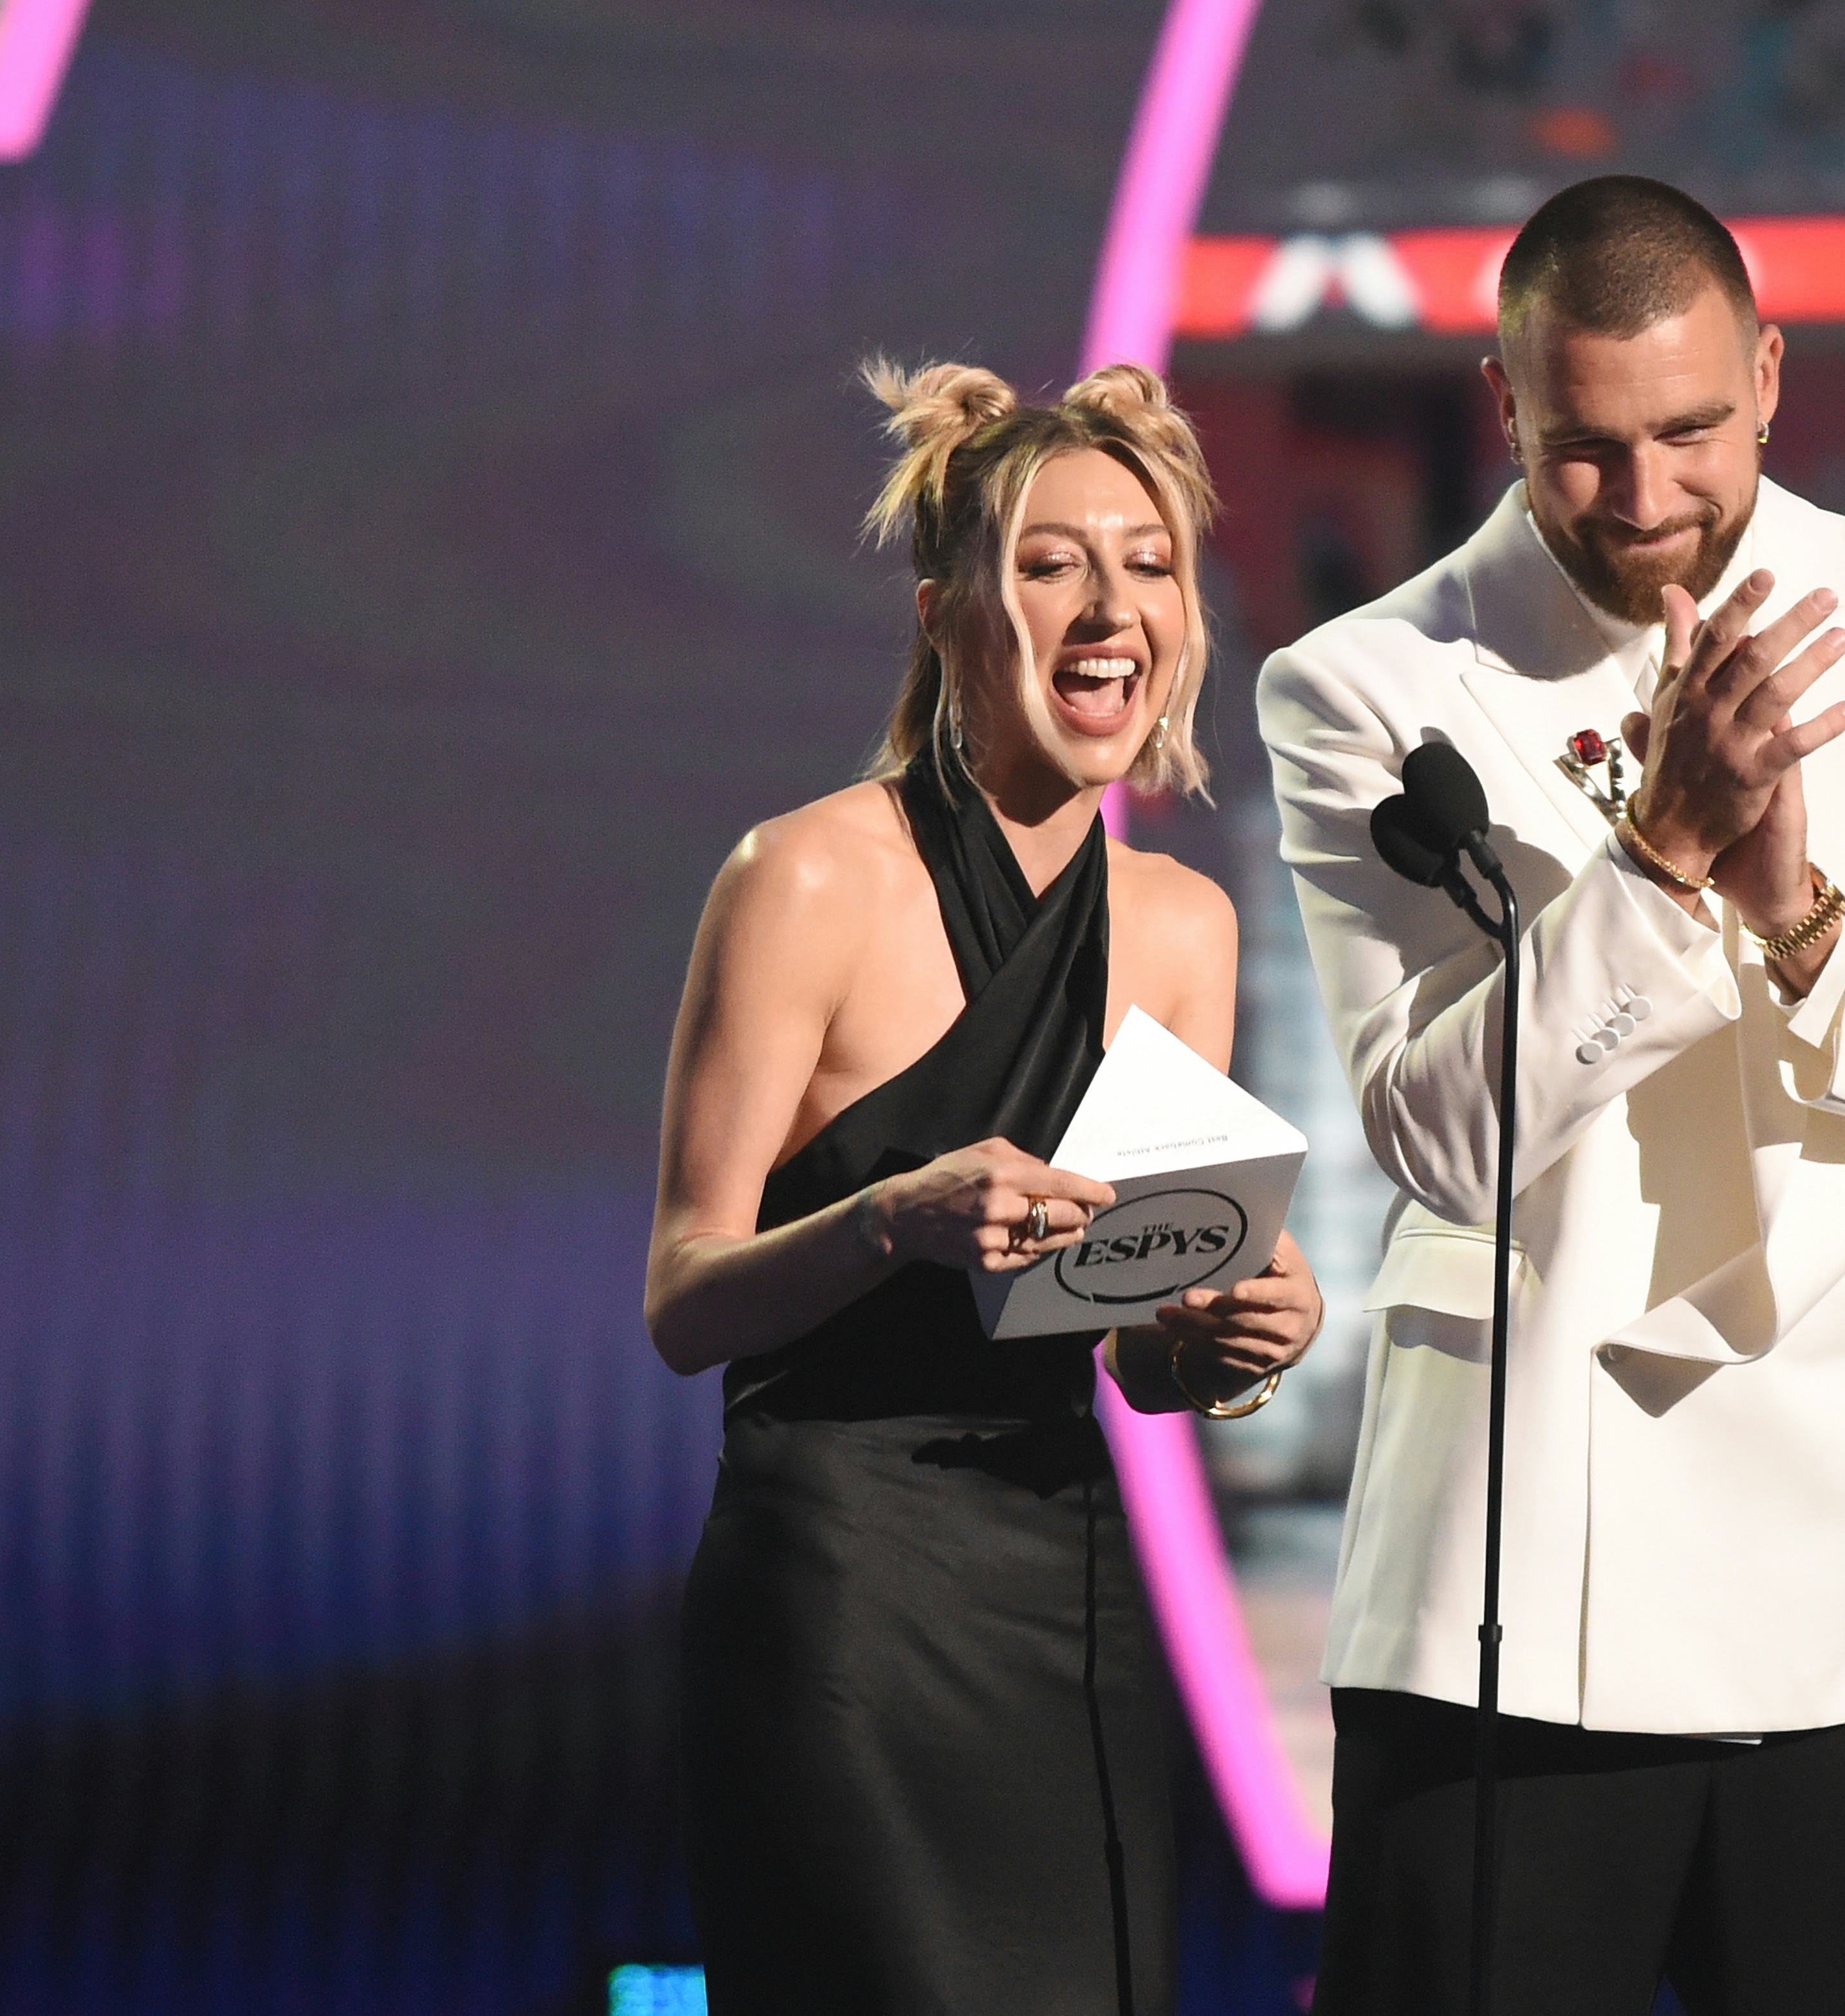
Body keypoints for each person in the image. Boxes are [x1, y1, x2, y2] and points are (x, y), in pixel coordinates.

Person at [1260, 175, 1845, 2015]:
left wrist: (1796, 915)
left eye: (1688, 434)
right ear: (1503, 406)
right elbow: (1442, 1135)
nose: (1644, 502)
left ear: (1770, 378)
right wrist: (1657, 856)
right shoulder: (1360, 685)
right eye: (1583, 450)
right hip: (1526, 1555)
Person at [643, 360, 1324, 2016]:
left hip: (1064, 1592)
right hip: (843, 1589)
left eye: (1148, 562)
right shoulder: (804, 874)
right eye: (1051, 560)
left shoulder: (1181, 925)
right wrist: (889, 1216)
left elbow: (1137, 1349)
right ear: (947, 613)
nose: (1111, 604)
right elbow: (681, 1292)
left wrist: (1232, 1328)